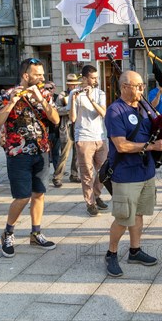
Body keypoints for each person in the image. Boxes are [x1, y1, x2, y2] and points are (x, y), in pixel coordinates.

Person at [104, 70, 162, 277]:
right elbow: (121, 145)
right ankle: (111, 253)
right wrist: (151, 146)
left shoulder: (145, 106)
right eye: (138, 85)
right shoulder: (115, 111)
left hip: (146, 171)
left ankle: (135, 250)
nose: (142, 89)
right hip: (126, 174)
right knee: (123, 218)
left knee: (140, 214)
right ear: (125, 87)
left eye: (142, 85)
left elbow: (158, 128)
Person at [0, 58, 60, 258]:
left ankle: (36, 233)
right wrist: (11, 102)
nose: (42, 77)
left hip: (41, 150)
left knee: (39, 193)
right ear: (26, 76)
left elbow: (55, 119)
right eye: (37, 74)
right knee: (22, 197)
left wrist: (41, 99)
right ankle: (8, 233)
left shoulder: (45, 93)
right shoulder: (6, 96)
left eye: (42, 74)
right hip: (17, 153)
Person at [69, 65, 108, 216]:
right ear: (84, 78)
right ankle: (90, 203)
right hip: (84, 138)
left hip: (100, 137)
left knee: (104, 170)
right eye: (92, 78)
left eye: (96, 77)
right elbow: (72, 118)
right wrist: (73, 99)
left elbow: (103, 113)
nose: (95, 80)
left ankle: (96, 195)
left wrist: (91, 99)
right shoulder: (74, 93)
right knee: (87, 174)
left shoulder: (100, 93)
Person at [53, 74, 82, 187]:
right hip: (67, 126)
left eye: (75, 84)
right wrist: (68, 109)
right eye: (71, 84)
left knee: (77, 153)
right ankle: (57, 177)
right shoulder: (62, 95)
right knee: (64, 153)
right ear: (68, 85)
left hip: (78, 126)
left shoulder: (80, 94)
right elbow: (56, 110)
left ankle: (74, 175)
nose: (74, 86)